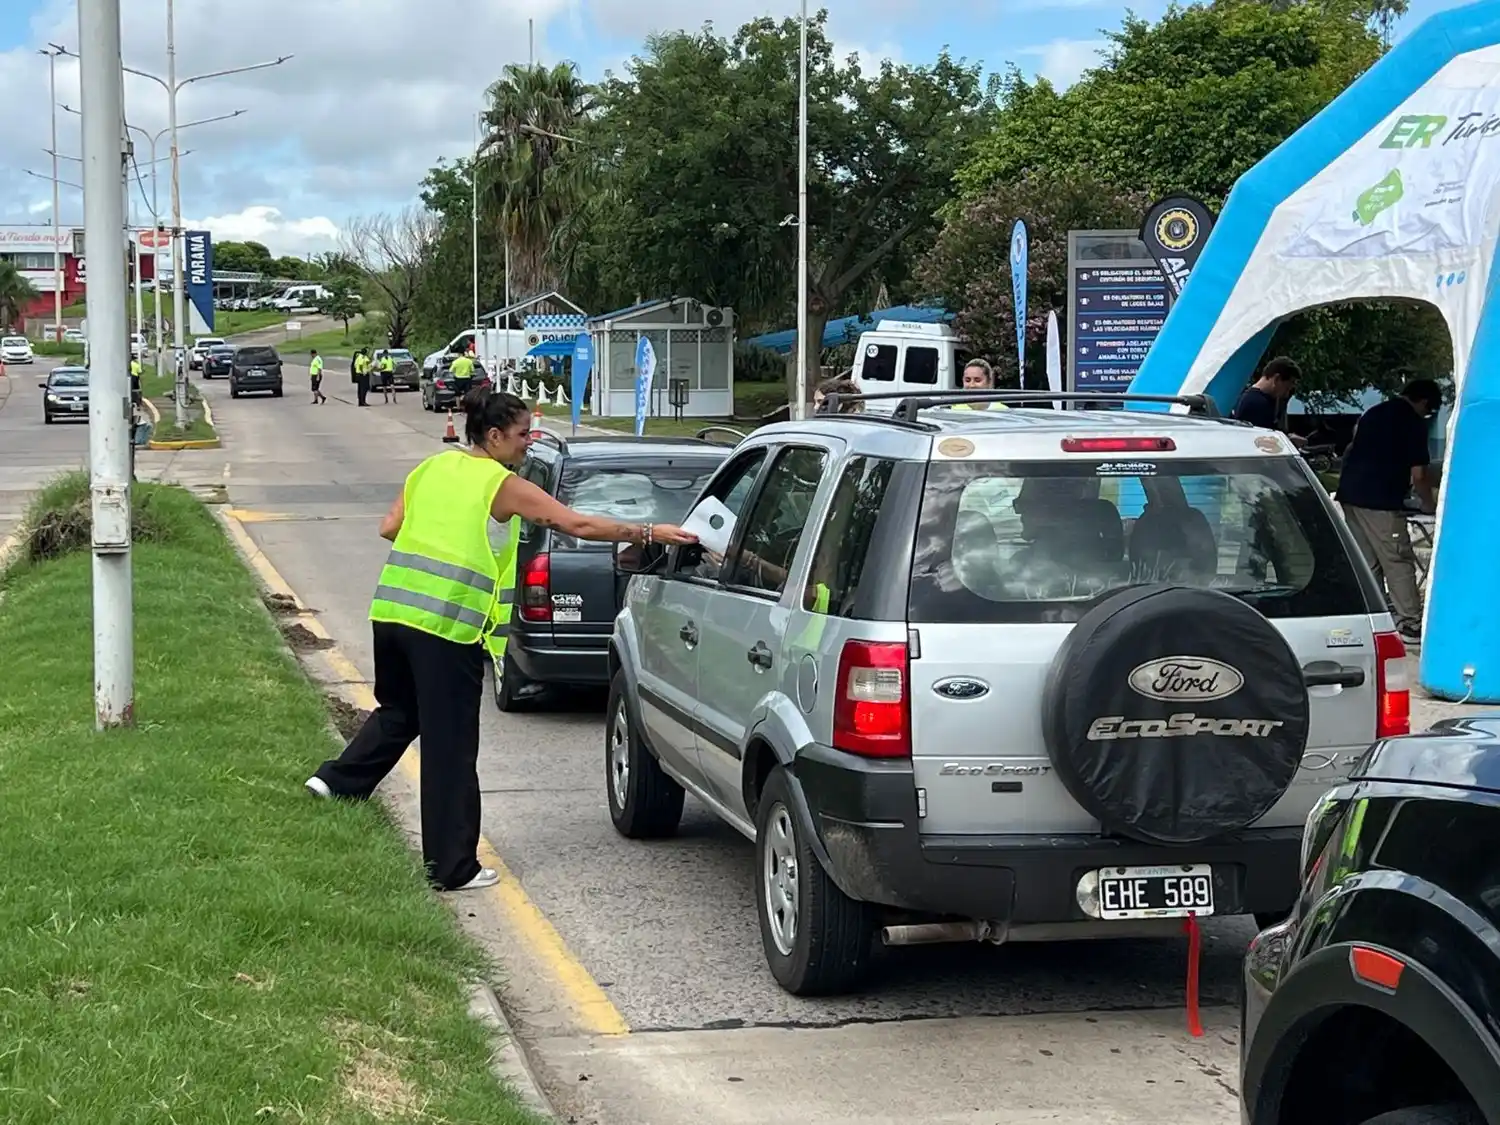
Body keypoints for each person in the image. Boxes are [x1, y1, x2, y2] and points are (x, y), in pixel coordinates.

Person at [305, 386, 698, 891]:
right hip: (445, 626)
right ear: (493, 436)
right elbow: (573, 521)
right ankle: (452, 867)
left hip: (393, 612)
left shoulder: (431, 468)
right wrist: (650, 534)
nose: (527, 444)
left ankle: (334, 782)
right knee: (450, 745)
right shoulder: (499, 483)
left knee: (399, 713)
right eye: (520, 434)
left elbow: (389, 527)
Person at [1335, 377, 1443, 647]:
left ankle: (1375, 614)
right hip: (1380, 501)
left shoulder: (1374, 412)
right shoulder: (1413, 423)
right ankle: (1410, 623)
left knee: (1367, 560)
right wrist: (1428, 504)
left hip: (1350, 494)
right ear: (1424, 402)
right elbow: (1419, 475)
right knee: (1397, 559)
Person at [1233, 357, 1307, 447]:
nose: (1286, 394)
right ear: (1276, 379)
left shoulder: (1254, 399)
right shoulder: (1257, 404)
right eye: (1286, 388)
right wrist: (1289, 441)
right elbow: (1264, 442)